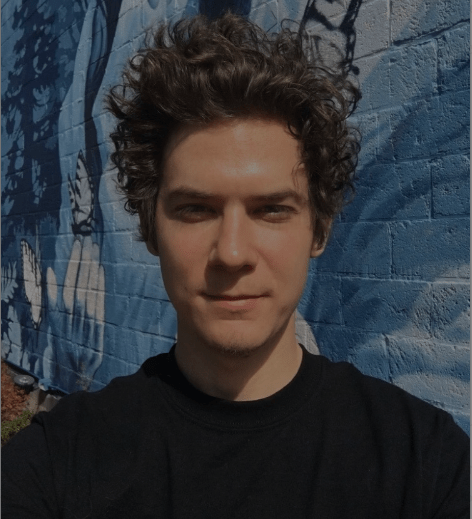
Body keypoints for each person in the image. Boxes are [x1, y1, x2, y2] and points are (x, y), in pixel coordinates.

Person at [2, 13, 469, 519]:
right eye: (196, 210)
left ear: (319, 229)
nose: (231, 253)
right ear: (151, 227)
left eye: (271, 210)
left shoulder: (425, 462)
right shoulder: (59, 460)